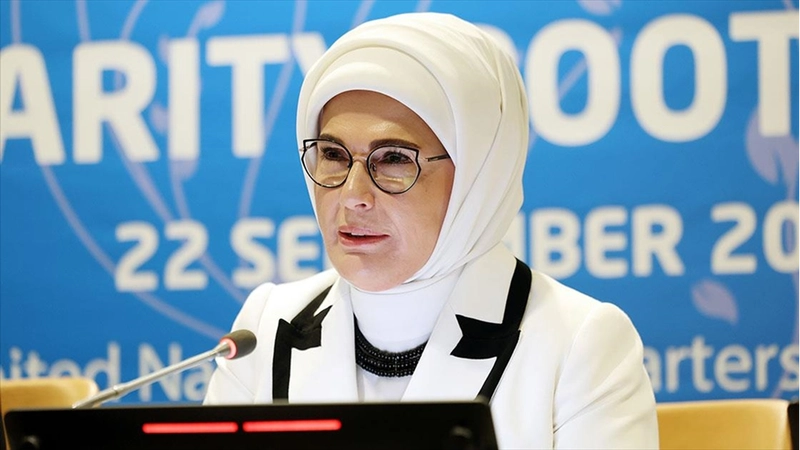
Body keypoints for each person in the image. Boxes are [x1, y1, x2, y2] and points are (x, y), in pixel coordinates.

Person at [204, 12, 658, 448]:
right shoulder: (266, 328)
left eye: (394, 158)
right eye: (333, 155)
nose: (353, 195)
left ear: (479, 172)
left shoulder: (580, 344)